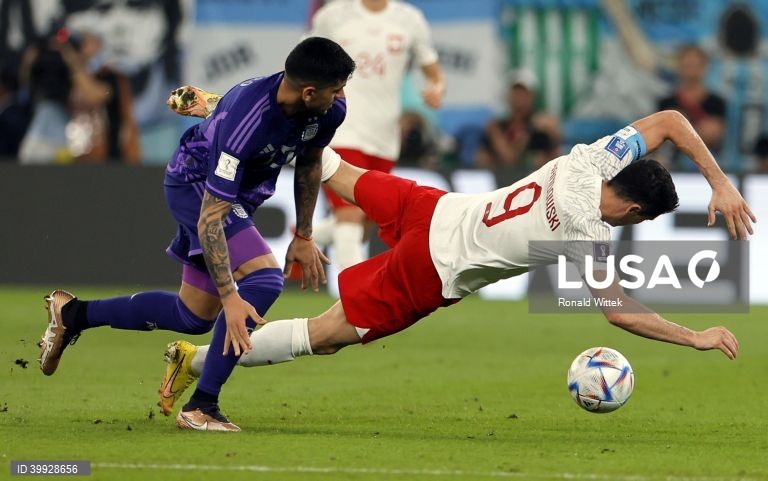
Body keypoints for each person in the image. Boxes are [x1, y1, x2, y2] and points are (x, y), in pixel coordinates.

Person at [157, 108, 754, 431]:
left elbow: (672, 121)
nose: (633, 227)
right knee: (331, 334)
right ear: (630, 208)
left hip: (433, 207)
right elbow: (620, 312)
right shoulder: (587, 233)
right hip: (434, 267)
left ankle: (237, 114)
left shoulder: (594, 158)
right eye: (640, 221)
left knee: (335, 168)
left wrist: (719, 183)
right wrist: (692, 335)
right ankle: (204, 362)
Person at [37, 37, 356, 432]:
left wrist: (304, 234)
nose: (342, 95)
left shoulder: (328, 109)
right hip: (196, 186)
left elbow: (309, 162)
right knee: (264, 280)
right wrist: (231, 297)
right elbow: (210, 219)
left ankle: (73, 314)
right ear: (309, 92)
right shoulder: (248, 120)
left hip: (237, 194)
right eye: (336, 88)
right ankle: (202, 407)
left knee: (192, 317)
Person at [306, 0, 446, 273]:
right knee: (350, 213)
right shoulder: (333, 15)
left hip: (384, 136)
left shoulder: (410, 19)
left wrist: (436, 89)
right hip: (340, 127)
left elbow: (433, 72)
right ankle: (354, 299)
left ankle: (310, 235)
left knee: (366, 218)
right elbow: (305, 61)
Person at [657, 45, 727, 170]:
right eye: (687, 65)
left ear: (704, 67)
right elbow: (658, 139)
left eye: (694, 65)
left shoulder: (717, 102)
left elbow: (714, 134)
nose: (690, 69)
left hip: (709, 166)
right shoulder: (666, 102)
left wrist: (676, 129)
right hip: (671, 166)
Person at [474, 70, 561, 171]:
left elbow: (554, 154)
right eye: (516, 93)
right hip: (503, 178)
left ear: (533, 96)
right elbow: (503, 159)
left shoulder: (542, 127)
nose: (519, 98)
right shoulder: (497, 127)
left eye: (524, 94)